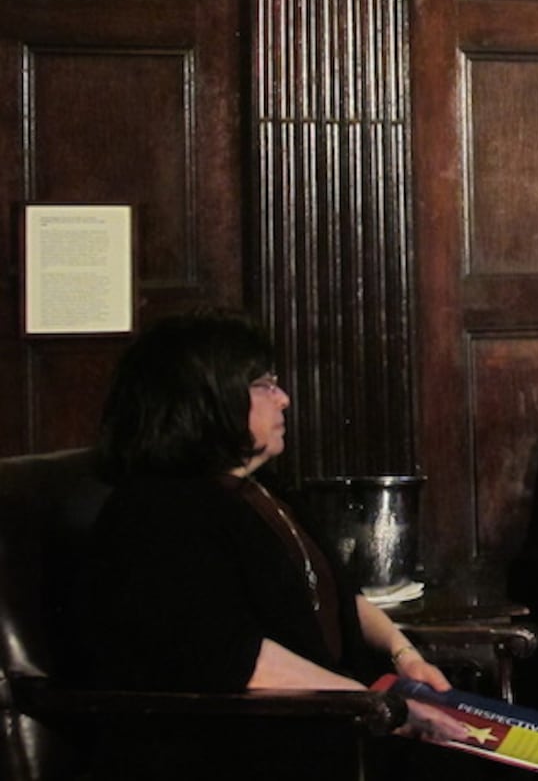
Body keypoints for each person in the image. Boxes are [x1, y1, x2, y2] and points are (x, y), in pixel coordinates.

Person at [72, 311, 465, 776]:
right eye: (264, 385)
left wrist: (406, 656)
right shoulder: (158, 514)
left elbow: (341, 595)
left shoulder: (260, 489)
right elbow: (236, 662)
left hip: (336, 717)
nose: (284, 399)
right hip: (246, 746)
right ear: (207, 400)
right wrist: (378, 705)